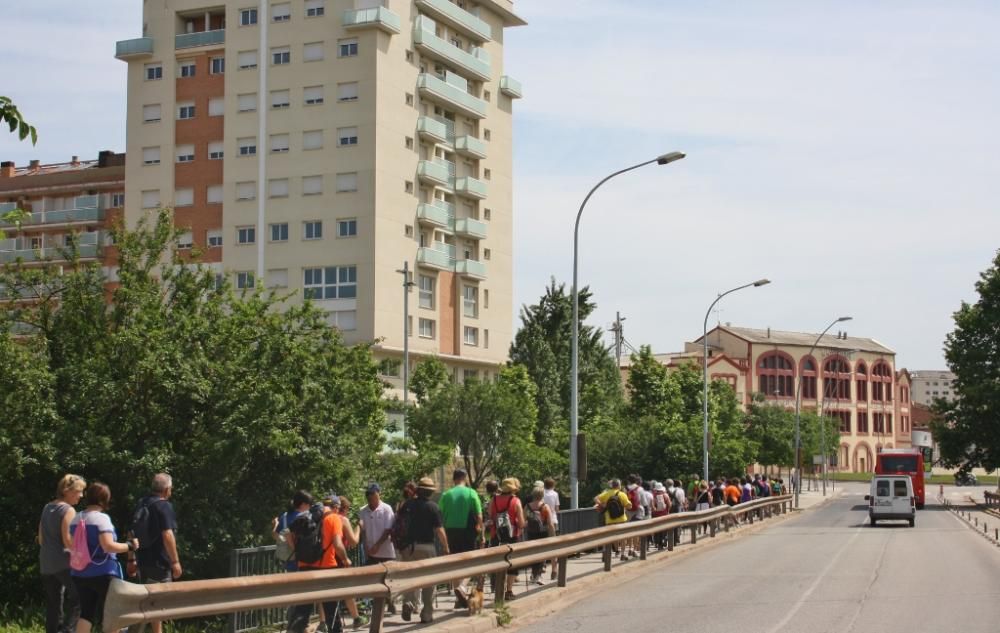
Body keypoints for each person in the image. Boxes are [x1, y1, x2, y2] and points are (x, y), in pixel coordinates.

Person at [70, 483, 138, 633]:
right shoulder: (101, 519)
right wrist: (129, 546)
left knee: (86, 613)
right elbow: (108, 546)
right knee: (114, 612)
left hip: (80, 573)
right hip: (103, 573)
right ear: (105, 499)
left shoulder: (76, 518)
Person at [287, 495, 350, 633]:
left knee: (303, 607)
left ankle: (294, 630)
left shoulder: (307, 516)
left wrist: (299, 554)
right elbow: (338, 545)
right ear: (335, 507)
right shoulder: (334, 518)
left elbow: (289, 535)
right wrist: (345, 560)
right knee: (330, 608)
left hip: (305, 567)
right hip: (326, 567)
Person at [132, 473, 180, 633]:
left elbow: (131, 533)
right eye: (171, 489)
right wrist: (175, 562)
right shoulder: (163, 505)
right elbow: (167, 534)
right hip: (159, 562)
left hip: (141, 559)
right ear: (166, 489)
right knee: (157, 603)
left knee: (146, 601)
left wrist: (131, 560)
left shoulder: (142, 503)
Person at [39, 474, 86, 633]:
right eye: (79, 491)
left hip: (46, 563)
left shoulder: (47, 507)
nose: (81, 495)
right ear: (68, 491)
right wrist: (83, 556)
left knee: (53, 604)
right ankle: (67, 630)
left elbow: (40, 539)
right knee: (80, 597)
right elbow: (68, 540)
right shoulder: (68, 510)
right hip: (63, 562)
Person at [398, 477, 449, 623]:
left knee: (409, 577)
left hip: (408, 547)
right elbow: (439, 530)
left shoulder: (407, 505)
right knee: (429, 581)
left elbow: (399, 524)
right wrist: (446, 547)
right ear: (430, 492)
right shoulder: (433, 507)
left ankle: (408, 603)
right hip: (427, 547)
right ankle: (426, 613)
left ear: (418, 490)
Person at [438, 469, 483, 608]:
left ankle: (459, 598)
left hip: (450, 532)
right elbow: (479, 516)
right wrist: (480, 532)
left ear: (454, 479)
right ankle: (463, 586)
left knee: (455, 563)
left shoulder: (446, 494)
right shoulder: (471, 493)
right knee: (472, 562)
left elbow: (439, 514)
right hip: (468, 532)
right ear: (465, 478)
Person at [359, 483, 396, 614]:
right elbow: (362, 531)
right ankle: (375, 604)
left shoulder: (386, 509)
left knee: (388, 579)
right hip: (371, 552)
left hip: (385, 551)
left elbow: (388, 530)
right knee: (373, 579)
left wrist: (378, 545)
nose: (372, 499)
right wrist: (366, 546)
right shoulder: (363, 511)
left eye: (374, 495)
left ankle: (390, 601)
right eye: (370, 496)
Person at [333, 495, 367, 629]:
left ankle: (324, 622)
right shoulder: (343, 520)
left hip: (327, 559)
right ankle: (356, 618)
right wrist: (358, 527)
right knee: (347, 590)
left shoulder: (327, 518)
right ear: (345, 508)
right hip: (341, 558)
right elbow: (353, 542)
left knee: (327, 591)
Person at [490, 478, 525, 600]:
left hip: (497, 536)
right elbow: (521, 523)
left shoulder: (493, 500)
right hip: (513, 536)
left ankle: (497, 588)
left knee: (497, 562)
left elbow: (491, 517)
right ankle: (509, 591)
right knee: (512, 563)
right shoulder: (516, 501)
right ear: (513, 489)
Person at [272, 491, 313, 572]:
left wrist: (275, 524)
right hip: (302, 558)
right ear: (303, 504)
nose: (310, 507)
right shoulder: (306, 517)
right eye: (309, 504)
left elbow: (275, 536)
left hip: (289, 558)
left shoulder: (284, 516)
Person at [594, 479, 631, 561]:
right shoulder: (622, 494)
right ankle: (622, 554)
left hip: (609, 520)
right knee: (623, 537)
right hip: (621, 519)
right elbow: (629, 506)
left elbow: (595, 498)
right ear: (618, 485)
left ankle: (610, 551)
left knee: (611, 537)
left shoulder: (606, 493)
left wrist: (602, 505)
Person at [523, 487, 554, 584]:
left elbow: (523, 522)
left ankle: (533, 574)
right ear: (542, 495)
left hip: (531, 533)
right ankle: (538, 576)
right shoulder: (545, 507)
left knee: (533, 553)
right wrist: (553, 535)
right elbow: (550, 523)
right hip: (543, 533)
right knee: (542, 553)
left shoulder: (527, 506)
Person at [541, 478, 560, 580]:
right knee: (553, 546)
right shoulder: (555, 494)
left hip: (543, 522)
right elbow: (557, 509)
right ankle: (554, 570)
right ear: (553, 485)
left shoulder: (541, 493)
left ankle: (542, 565)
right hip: (553, 521)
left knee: (543, 544)